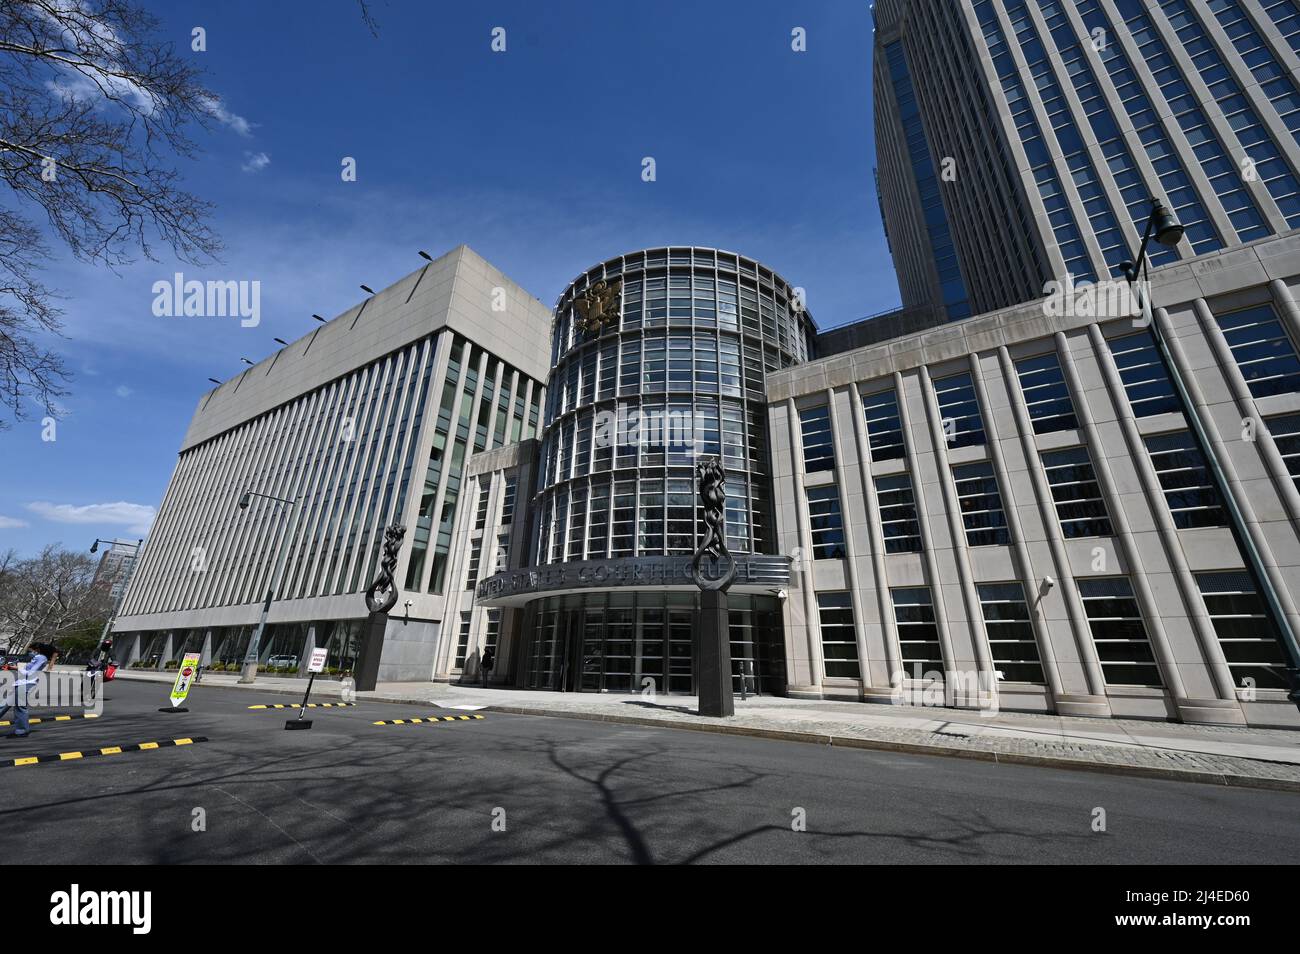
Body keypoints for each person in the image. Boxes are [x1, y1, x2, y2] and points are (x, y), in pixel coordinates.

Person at [2, 642, 57, 737]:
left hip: (26, 684)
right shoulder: (40, 657)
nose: (30, 651)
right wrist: (12, 667)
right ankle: (22, 730)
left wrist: (17, 669)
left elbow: (32, 672)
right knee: (4, 704)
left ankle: (22, 731)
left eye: (31, 649)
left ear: (37, 649)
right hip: (22, 683)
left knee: (20, 707)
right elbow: (28, 669)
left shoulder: (40, 657)